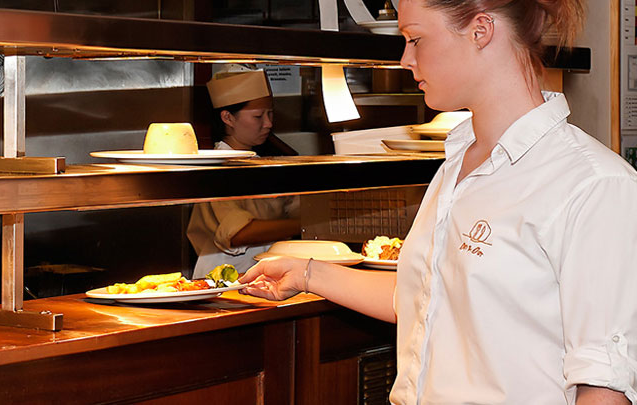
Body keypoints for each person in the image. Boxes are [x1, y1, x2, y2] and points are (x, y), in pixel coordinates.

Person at [239, 1, 637, 404]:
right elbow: (427, 296)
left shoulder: (593, 184)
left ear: (480, 30)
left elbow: (602, 388)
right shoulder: (457, 162)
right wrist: (307, 273)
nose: (405, 59)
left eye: (415, 39)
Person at [187, 69, 300, 278]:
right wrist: (308, 224)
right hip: (224, 276)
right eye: (258, 116)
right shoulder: (218, 168)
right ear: (228, 117)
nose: (268, 123)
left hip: (262, 272)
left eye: (270, 114)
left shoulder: (259, 161)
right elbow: (238, 233)